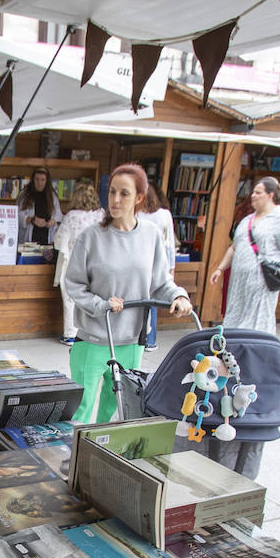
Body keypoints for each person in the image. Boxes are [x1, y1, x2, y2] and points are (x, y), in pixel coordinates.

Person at [62, 163, 192, 424]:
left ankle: (102, 451)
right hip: (94, 338)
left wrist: (179, 296)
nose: (115, 200)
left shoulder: (151, 235)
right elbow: (73, 283)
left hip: (132, 340)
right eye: (112, 192)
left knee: (117, 408)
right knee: (81, 408)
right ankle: (71, 454)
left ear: (139, 198)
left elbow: (160, 281)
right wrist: (101, 305)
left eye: (124, 194)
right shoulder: (92, 237)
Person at [207, 177, 280, 335]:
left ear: (270, 195)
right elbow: (234, 248)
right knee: (235, 316)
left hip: (261, 280)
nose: (253, 195)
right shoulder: (247, 221)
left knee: (258, 319)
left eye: (258, 192)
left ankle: (254, 350)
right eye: (253, 192)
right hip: (239, 282)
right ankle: (232, 346)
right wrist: (220, 268)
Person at [52, 180, 104, 345]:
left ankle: (70, 334)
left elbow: (60, 241)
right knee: (93, 298)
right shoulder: (101, 215)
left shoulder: (72, 216)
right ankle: (91, 333)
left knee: (70, 299)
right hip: (97, 264)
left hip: (74, 263)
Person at [137, 183, 178, 351]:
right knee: (153, 301)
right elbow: (170, 244)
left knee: (139, 302)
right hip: (157, 262)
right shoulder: (164, 215)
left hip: (141, 261)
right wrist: (171, 267)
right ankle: (150, 339)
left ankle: (141, 337)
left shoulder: (137, 214)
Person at [16, 166, 62, 246]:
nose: (40, 183)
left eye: (42, 180)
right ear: (33, 180)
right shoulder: (24, 194)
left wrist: (53, 221)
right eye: (37, 179)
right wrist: (31, 220)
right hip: (28, 240)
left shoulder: (52, 195)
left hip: (47, 240)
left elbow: (59, 214)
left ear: (47, 181)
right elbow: (17, 215)